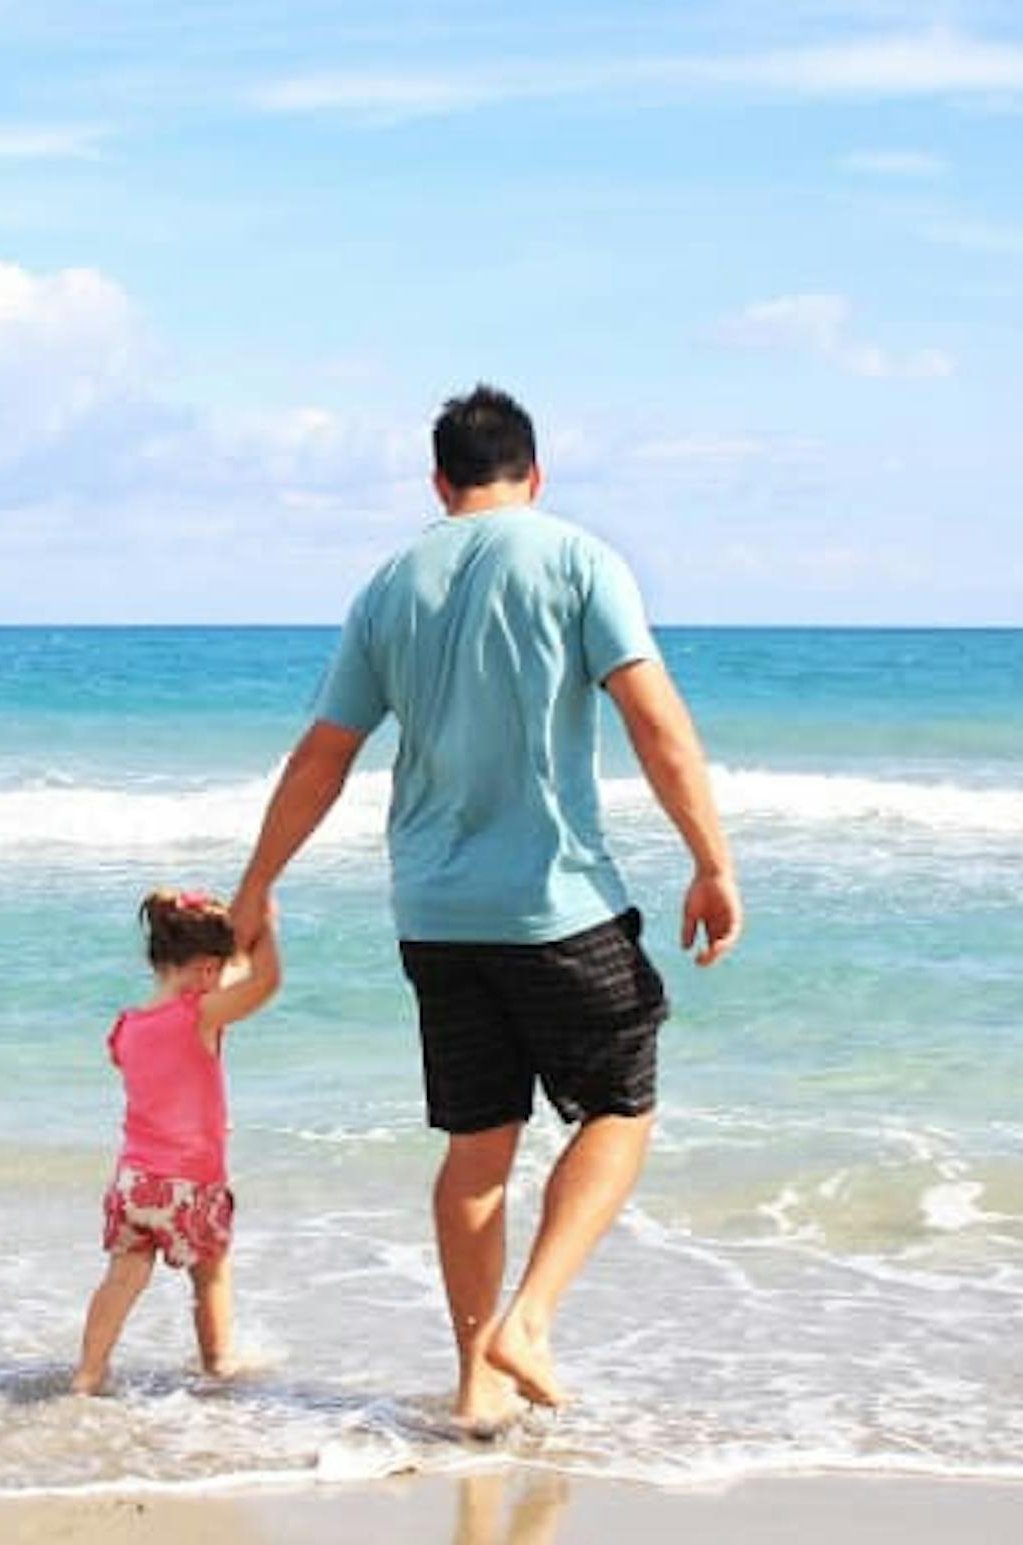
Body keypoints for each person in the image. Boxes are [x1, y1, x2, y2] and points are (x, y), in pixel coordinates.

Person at [228, 383, 741, 1431]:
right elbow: (654, 722)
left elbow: (325, 755)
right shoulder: (576, 558)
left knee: (477, 1147)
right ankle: (531, 1321)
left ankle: (476, 1386)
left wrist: (257, 882)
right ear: (534, 475)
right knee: (621, 1108)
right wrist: (712, 860)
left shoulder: (388, 587)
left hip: (433, 912)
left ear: (439, 481)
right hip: (553, 906)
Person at [70, 887, 282, 1396]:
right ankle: (218, 1364)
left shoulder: (126, 1028)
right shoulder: (200, 1017)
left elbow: (207, 988)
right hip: (191, 1184)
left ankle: (88, 1375)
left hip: (134, 1184)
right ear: (207, 969)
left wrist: (227, 948)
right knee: (210, 1276)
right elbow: (266, 982)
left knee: (122, 1278)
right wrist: (266, 926)